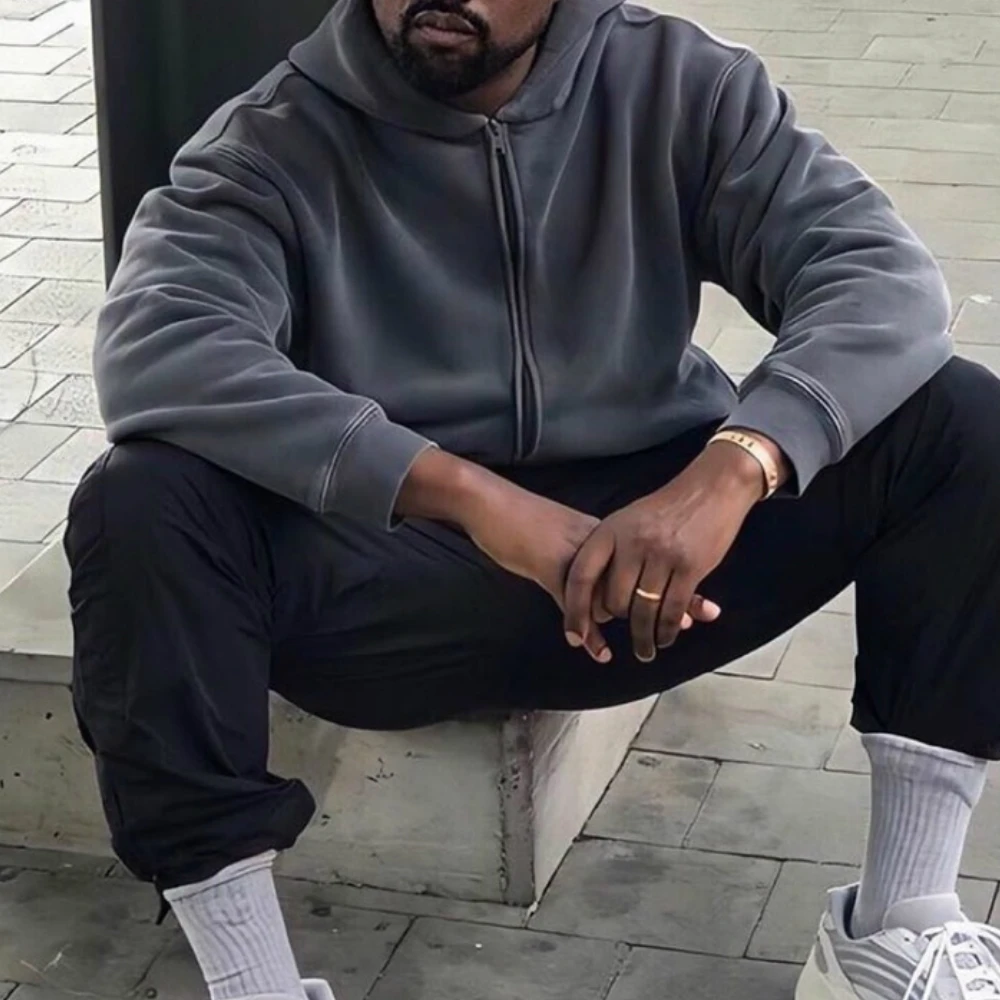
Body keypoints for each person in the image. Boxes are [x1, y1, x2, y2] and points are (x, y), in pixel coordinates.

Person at [66, 0, 1000, 995]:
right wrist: (462, 492)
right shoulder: (270, 142)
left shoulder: (678, 85)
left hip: (663, 569)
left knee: (955, 418)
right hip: (408, 583)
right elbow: (159, 347)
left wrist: (736, 465)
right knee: (139, 502)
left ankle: (896, 923)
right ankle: (249, 981)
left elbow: (879, 274)